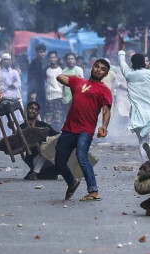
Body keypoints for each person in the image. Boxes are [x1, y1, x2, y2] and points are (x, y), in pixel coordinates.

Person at [55, 58, 112, 201]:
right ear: (92, 68)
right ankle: (72, 181)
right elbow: (59, 77)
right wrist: (74, 77)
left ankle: (93, 191)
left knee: (82, 155)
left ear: (106, 74)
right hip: (68, 128)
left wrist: (104, 126)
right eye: (97, 66)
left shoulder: (104, 89)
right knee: (59, 161)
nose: (99, 69)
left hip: (85, 130)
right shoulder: (78, 82)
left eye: (102, 69)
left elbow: (106, 110)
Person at [19, 101, 59, 180]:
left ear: (38, 113)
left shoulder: (42, 125)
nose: (33, 111)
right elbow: (16, 143)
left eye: (35, 110)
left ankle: (37, 173)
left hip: (47, 159)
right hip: (32, 158)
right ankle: (35, 172)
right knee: (44, 150)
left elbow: (55, 135)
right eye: (31, 108)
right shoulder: (21, 127)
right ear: (26, 110)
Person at [0, 53, 22, 138]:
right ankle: (5, 135)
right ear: (2, 61)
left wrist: (13, 84)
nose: (7, 61)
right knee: (5, 117)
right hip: (4, 96)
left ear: (11, 60)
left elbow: (19, 83)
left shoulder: (14, 72)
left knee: (15, 116)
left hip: (14, 96)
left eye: (8, 59)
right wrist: (6, 87)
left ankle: (16, 134)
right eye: (5, 59)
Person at [45, 51, 65, 131]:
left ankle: (57, 134)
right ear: (48, 59)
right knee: (49, 117)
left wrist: (63, 96)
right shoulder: (46, 70)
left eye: (54, 57)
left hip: (59, 95)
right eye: (50, 58)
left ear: (56, 58)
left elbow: (63, 84)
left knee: (58, 117)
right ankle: (49, 134)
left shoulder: (61, 70)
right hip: (49, 96)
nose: (52, 59)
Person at [28, 44, 47, 112]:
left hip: (41, 90)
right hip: (36, 91)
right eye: (41, 52)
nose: (43, 54)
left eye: (44, 52)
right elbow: (32, 79)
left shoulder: (43, 62)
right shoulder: (34, 63)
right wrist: (33, 92)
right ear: (37, 53)